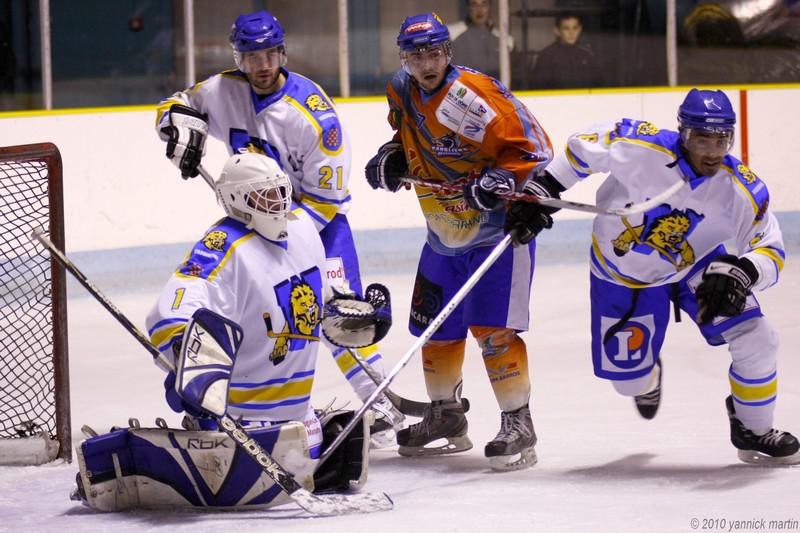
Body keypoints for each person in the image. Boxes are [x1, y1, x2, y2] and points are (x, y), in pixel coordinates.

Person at [73, 153, 380, 510]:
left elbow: (322, 302)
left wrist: (350, 313)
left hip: (301, 425)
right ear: (236, 200)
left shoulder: (302, 229)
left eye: (281, 191)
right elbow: (167, 313)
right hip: (244, 429)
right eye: (264, 195)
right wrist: (188, 361)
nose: (278, 203)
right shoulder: (221, 248)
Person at [510, 88, 799, 465]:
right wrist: (545, 188)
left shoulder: (740, 188)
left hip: (699, 267)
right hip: (623, 274)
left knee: (758, 338)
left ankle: (753, 428)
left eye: (721, 140)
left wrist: (743, 272)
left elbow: (771, 248)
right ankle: (647, 375)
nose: (713, 152)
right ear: (684, 133)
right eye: (703, 139)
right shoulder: (641, 146)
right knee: (627, 382)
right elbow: (582, 147)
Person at [154, 10, 402, 444]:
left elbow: (326, 200)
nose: (263, 65)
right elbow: (176, 105)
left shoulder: (314, 115)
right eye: (252, 57)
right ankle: (246, 404)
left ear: (283, 53)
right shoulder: (223, 90)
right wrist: (180, 133)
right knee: (264, 316)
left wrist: (284, 239)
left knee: (338, 315)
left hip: (316, 226)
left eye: (270, 55)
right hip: (254, 222)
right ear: (239, 58)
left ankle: (379, 400)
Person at [365, 12, 554, 471]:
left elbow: (535, 149)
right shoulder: (401, 89)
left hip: (495, 236)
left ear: (448, 53)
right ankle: (446, 415)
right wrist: (392, 155)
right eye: (416, 57)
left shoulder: (475, 96)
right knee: (435, 329)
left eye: (434, 54)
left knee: (494, 332)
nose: (426, 65)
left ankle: (518, 422)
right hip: (442, 234)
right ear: (403, 60)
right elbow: (409, 134)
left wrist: (500, 179)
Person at [531, 13, 601, 89]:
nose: (572, 33)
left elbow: (598, 85)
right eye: (566, 28)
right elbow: (538, 88)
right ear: (557, 31)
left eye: (575, 28)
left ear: (580, 29)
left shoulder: (587, 55)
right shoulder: (546, 56)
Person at [448, 0, 514, 79]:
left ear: (490, 7)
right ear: (468, 7)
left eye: (484, 4)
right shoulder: (451, 34)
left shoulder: (505, 40)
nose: (479, 9)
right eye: (474, 4)